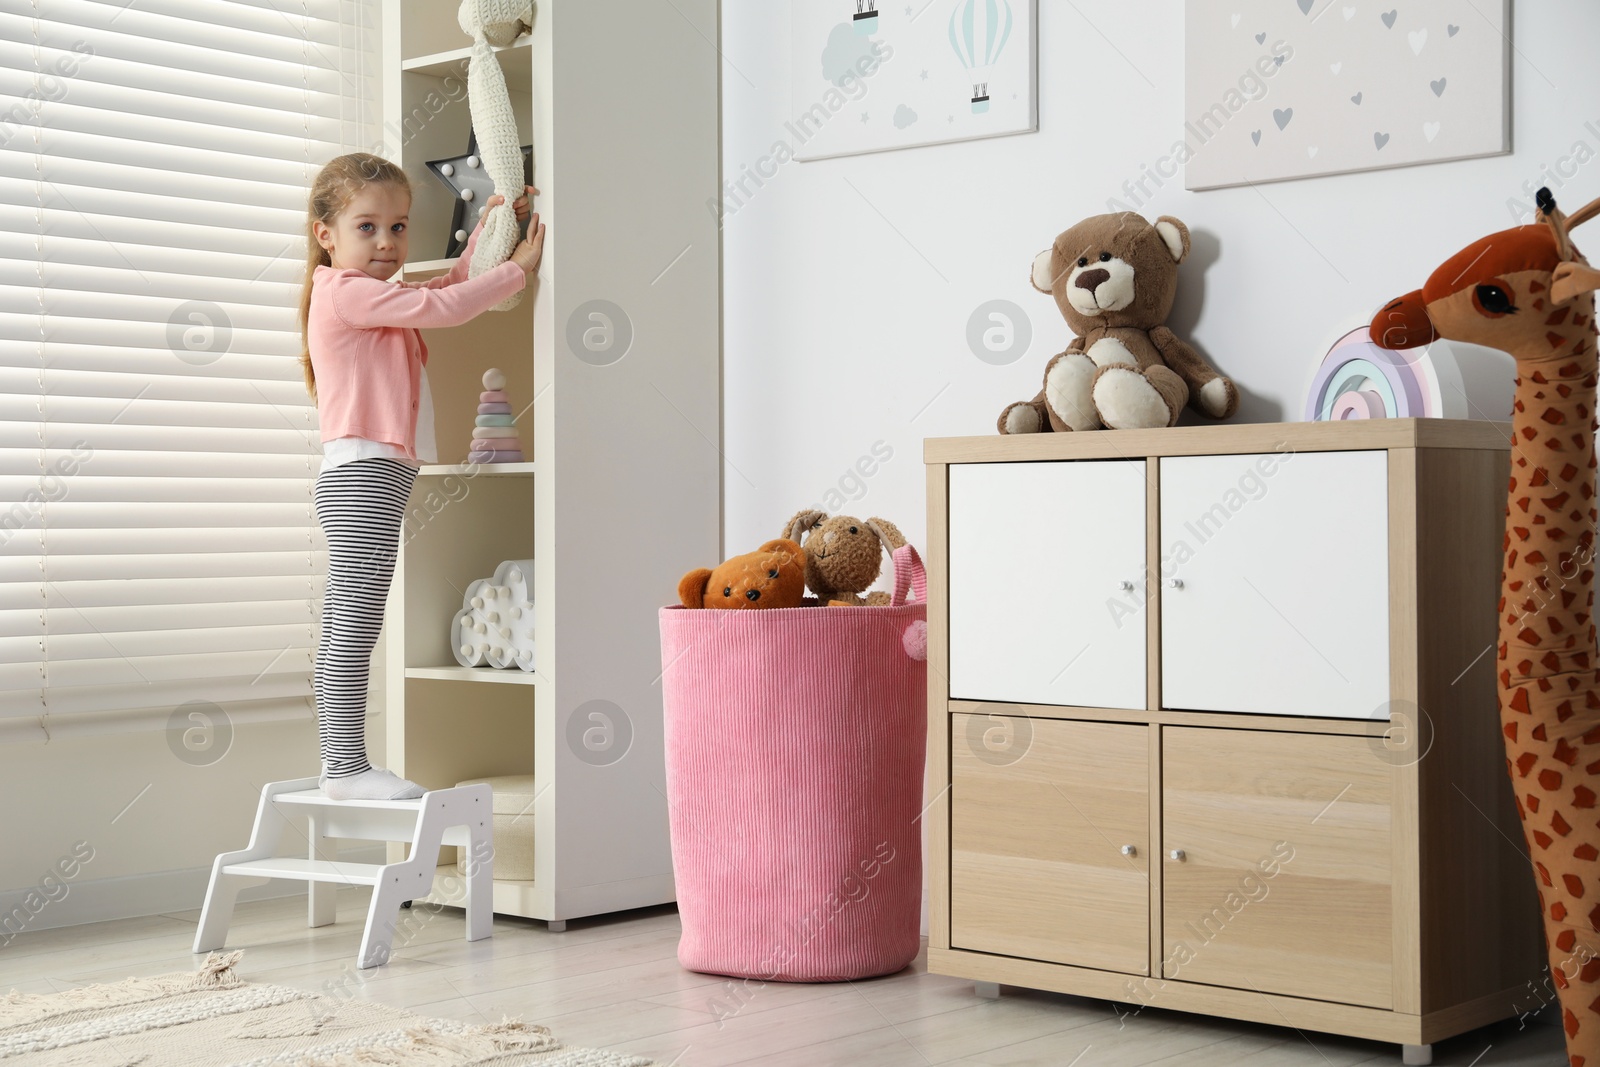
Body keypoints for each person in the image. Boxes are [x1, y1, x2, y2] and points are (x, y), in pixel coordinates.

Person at [296, 152, 545, 800]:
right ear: (327, 235)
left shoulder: (369, 296)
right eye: (368, 227)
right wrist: (513, 273)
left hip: (374, 476)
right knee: (353, 620)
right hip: (363, 478)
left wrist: (493, 232)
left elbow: (438, 297)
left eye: (400, 227)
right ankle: (343, 766)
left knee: (354, 617)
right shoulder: (344, 291)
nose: (387, 242)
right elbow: (450, 310)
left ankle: (343, 764)